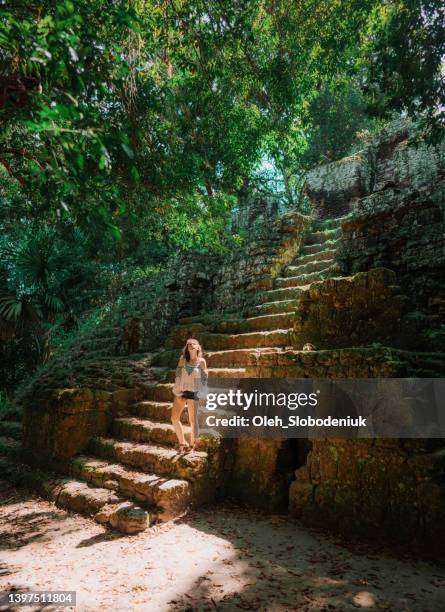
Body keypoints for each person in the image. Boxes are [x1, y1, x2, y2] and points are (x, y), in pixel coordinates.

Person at [171, 338, 208, 452]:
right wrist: (177, 391)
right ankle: (182, 442)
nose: (191, 345)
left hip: (194, 393)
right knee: (174, 418)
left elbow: (204, 378)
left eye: (194, 344)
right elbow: (177, 375)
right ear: (187, 348)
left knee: (193, 420)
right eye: (189, 344)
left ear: (198, 347)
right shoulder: (182, 359)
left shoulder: (201, 361)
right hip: (181, 392)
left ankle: (192, 445)